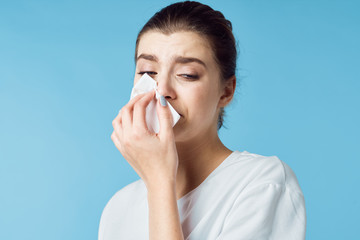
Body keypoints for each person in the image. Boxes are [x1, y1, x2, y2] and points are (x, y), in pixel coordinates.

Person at [98, 1, 306, 239]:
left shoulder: (263, 184)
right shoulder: (119, 207)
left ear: (226, 91)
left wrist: (159, 182)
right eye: (147, 72)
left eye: (187, 74)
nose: (162, 90)